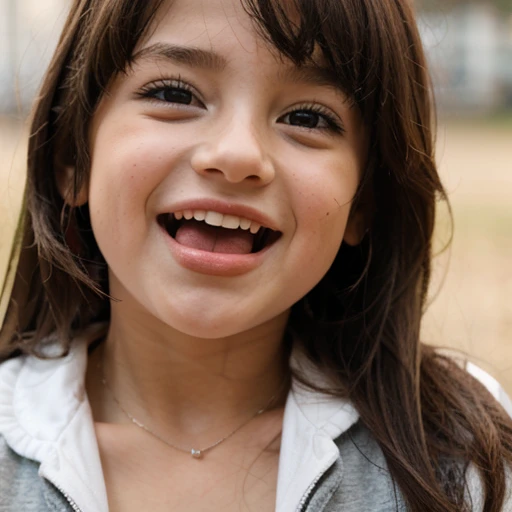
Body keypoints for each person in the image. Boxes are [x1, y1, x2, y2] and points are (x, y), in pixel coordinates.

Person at [0, 0, 511, 511]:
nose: (237, 155)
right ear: (73, 156)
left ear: (364, 202)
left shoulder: (461, 458)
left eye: (307, 117)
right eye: (175, 92)